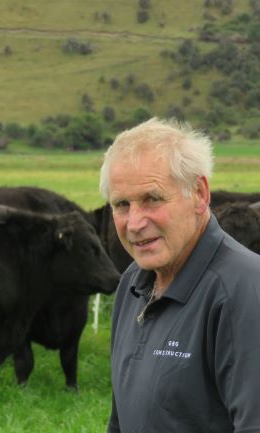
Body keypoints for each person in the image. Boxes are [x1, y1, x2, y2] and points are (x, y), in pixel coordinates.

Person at [99, 117, 260, 433]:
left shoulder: (244, 292)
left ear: (199, 193)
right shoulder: (132, 283)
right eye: (121, 204)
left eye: (152, 199)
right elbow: (119, 422)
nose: (134, 223)